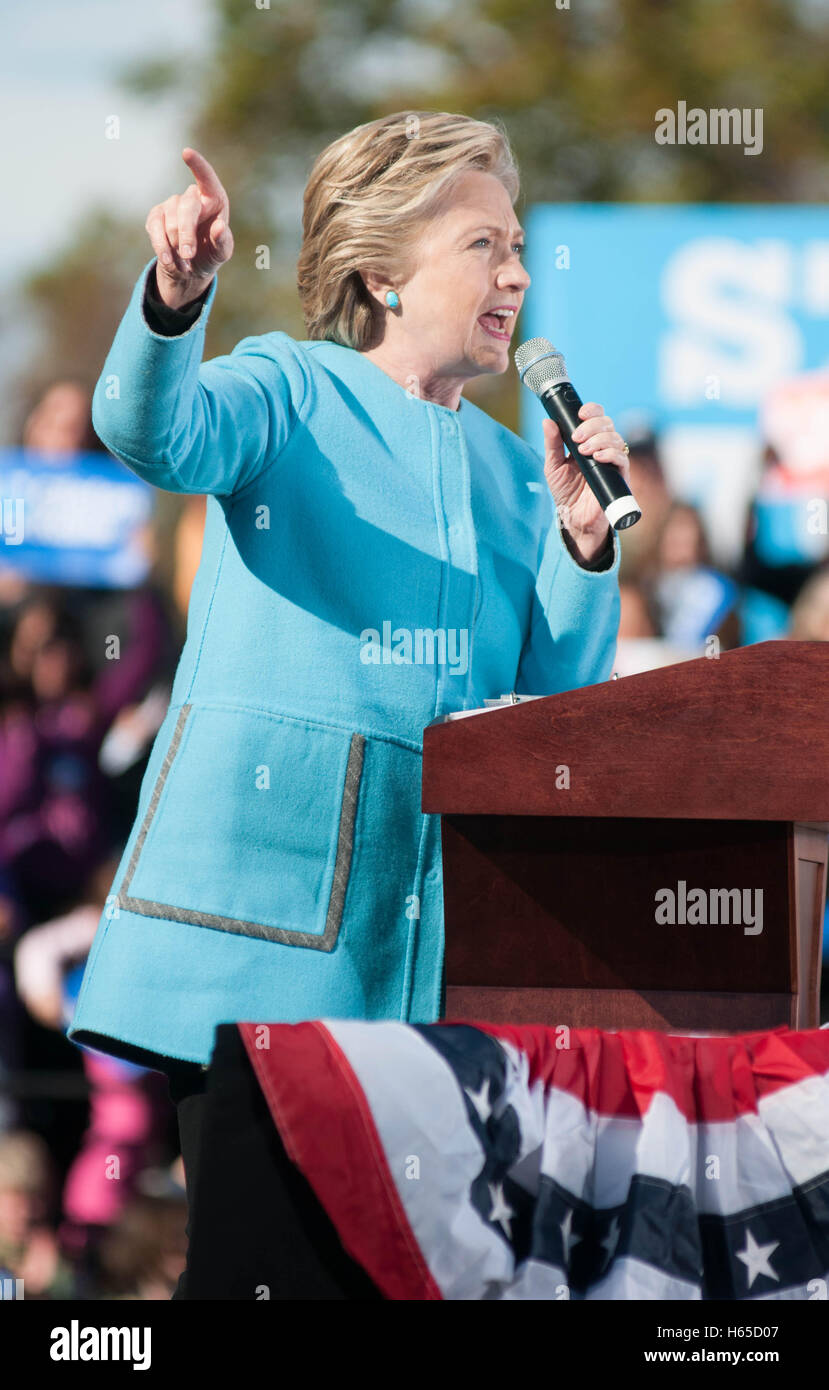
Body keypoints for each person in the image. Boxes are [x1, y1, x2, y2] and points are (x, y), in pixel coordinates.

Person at [67, 111, 629, 1293]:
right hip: (264, 946)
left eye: (518, 244)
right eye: (486, 245)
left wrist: (582, 550)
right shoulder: (287, 386)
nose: (519, 271)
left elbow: (548, 708)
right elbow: (148, 428)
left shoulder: (501, 465)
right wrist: (175, 299)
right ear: (380, 270)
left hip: (426, 967)